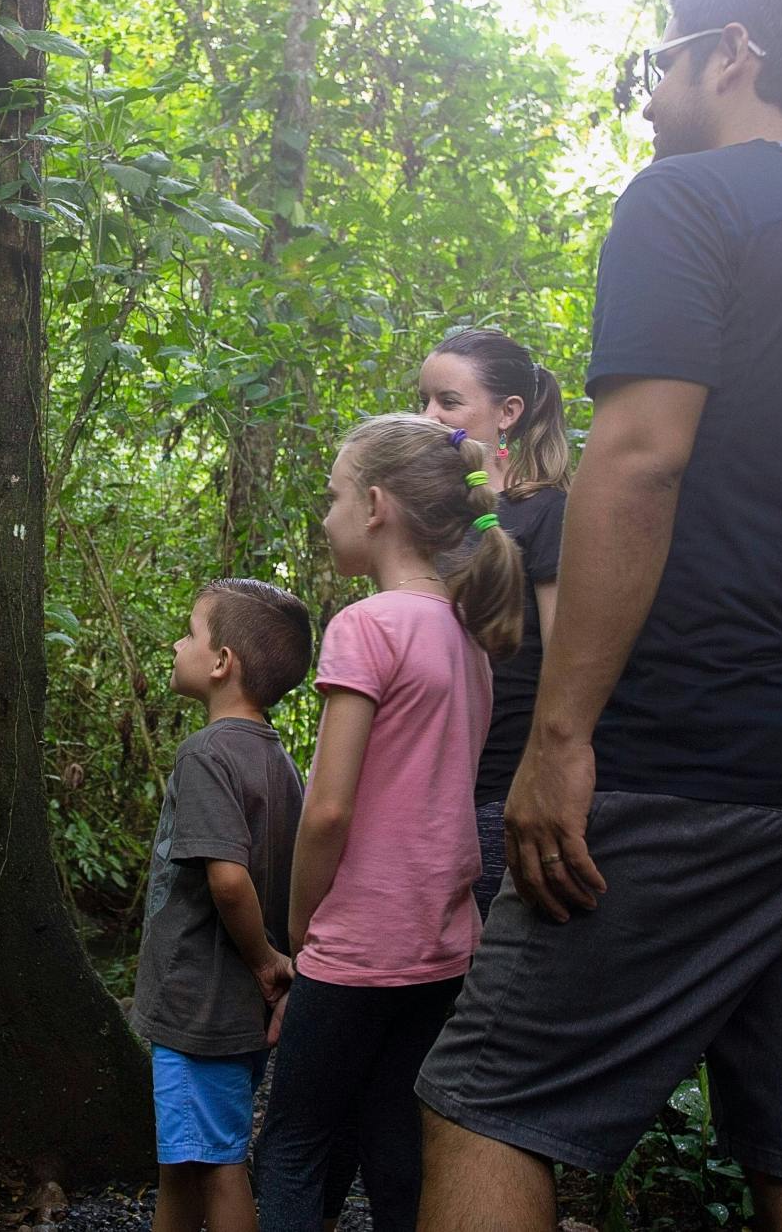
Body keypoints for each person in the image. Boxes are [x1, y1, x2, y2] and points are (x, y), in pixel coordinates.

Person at [416, 0, 782, 1232]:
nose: (649, 88)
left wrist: (558, 741)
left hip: (698, 761)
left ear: (731, 54)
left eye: (659, 57)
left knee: (485, 1099)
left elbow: (642, 459)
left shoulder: (684, 202)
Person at [254, 415, 524, 1232]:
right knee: (392, 1138)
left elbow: (330, 808)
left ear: (375, 506)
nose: (326, 514)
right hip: (442, 941)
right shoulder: (466, 633)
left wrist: (301, 929)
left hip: (358, 942)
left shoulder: (366, 626)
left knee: (293, 1144)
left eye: (334, 496)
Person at [131, 579, 313, 1232]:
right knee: (185, 1162)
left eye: (189, 632)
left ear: (221, 663)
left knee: (218, 1165)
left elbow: (229, 881)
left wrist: (266, 961)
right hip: (231, 1012)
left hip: (199, 1008)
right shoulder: (280, 764)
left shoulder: (206, 755)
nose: (177, 643)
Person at [418, 328, 571, 917]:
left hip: (498, 785)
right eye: (424, 401)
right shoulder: (428, 516)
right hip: (426, 782)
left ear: (509, 412)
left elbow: (562, 657)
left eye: (449, 402)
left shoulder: (544, 513)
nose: (430, 416)